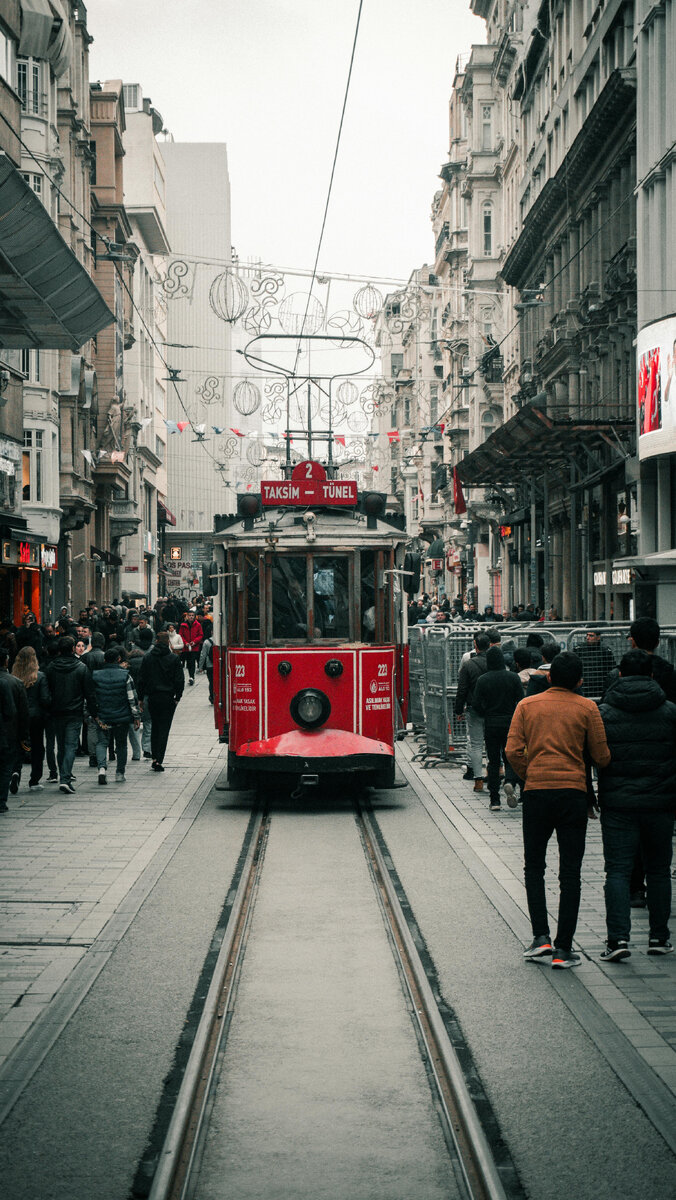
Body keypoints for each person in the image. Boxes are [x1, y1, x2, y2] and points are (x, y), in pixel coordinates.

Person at [506, 651, 610, 968]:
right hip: (573, 795)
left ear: (549, 677)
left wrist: (530, 772)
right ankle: (564, 949)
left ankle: (541, 938)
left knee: (534, 866)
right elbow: (602, 756)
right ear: (580, 680)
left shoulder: (526, 706)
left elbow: (512, 750)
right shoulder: (588, 708)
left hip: (537, 793)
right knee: (570, 873)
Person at [597, 650, 676, 960]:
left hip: (618, 803)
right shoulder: (670, 711)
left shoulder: (603, 713)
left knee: (617, 871)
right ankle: (659, 937)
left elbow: (596, 756)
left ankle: (618, 940)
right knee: (658, 870)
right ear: (652, 677)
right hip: (661, 802)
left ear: (619, 675)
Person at [471, 646, 524, 810]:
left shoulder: (483, 680)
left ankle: (494, 799)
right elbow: (521, 701)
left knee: (493, 761)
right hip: (510, 723)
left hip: (491, 723)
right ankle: (510, 782)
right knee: (511, 757)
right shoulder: (513, 678)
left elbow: (476, 704)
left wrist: (486, 713)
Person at [45, 636, 95, 794]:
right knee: (71, 745)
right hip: (74, 711)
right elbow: (89, 692)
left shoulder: (51, 667)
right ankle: (65, 778)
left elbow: (47, 691)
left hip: (56, 711)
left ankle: (63, 776)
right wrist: (93, 712)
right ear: (73, 648)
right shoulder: (81, 667)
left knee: (61, 745)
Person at [91, 647, 141, 785]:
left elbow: (91, 697)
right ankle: (120, 773)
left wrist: (92, 714)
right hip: (122, 716)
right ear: (119, 659)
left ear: (105, 660)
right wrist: (136, 716)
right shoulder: (125, 675)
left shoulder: (95, 675)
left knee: (102, 742)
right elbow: (132, 698)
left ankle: (101, 768)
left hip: (103, 716)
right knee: (121, 744)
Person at [138, 631, 185, 771]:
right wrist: (178, 697)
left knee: (154, 727)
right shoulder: (174, 659)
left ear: (156, 641)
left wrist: (140, 698)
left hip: (152, 697)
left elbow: (141, 679)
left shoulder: (147, 658)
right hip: (167, 697)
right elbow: (179, 680)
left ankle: (153, 756)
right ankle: (159, 759)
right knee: (164, 729)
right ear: (168, 642)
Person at [11, 646, 51, 792]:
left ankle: (15, 771)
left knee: (18, 745)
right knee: (37, 748)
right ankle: (34, 780)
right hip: (36, 717)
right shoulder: (40, 676)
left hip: (17, 717)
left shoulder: (13, 677)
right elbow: (45, 699)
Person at [455, 631, 489, 789]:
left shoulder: (468, 665)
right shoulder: (496, 663)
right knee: (493, 744)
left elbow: (462, 689)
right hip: (494, 709)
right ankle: (495, 773)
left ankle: (478, 779)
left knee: (476, 744)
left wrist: (458, 710)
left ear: (475, 646)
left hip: (474, 708)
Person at [0, 648, 30, 802]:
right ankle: (2, 801)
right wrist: (24, 735)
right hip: (9, 730)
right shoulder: (15, 682)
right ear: (6, 660)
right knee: (6, 765)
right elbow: (20, 711)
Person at [577, 630, 616, 698]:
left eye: (591, 635)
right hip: (584, 687)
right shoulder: (579, 649)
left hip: (600, 687)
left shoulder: (605, 651)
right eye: (587, 635)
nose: (588, 638)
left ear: (598, 638)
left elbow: (611, 669)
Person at [178, 610, 203, 685]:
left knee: (192, 661)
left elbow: (200, 635)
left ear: (194, 616)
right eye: (190, 615)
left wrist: (194, 642)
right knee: (186, 662)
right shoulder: (183, 625)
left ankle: (191, 677)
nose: (191, 617)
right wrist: (185, 642)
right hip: (185, 647)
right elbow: (180, 635)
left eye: (192, 615)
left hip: (194, 647)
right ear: (187, 616)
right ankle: (187, 676)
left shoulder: (198, 625)